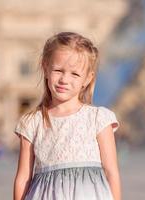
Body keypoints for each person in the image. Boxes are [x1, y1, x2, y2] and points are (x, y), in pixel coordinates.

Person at [13, 32, 121, 200]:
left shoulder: (99, 118)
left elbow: (111, 172)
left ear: (87, 78)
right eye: (58, 70)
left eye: (75, 74)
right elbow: (23, 177)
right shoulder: (32, 122)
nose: (64, 79)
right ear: (45, 69)